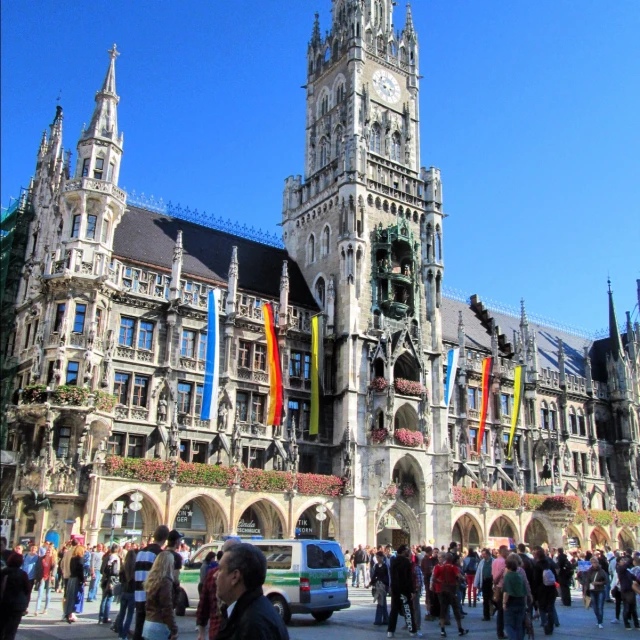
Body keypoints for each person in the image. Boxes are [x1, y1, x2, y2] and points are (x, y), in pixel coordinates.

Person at [214, 543, 289, 640]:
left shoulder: (253, 624)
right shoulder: (249, 611)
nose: (215, 575)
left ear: (235, 576)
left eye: (220, 569)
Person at [133, 524, 170, 640]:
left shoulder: (140, 552)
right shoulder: (159, 553)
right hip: (151, 597)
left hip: (138, 594)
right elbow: (158, 577)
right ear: (165, 538)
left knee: (139, 629)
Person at [197, 540, 239, 640]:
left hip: (217, 632)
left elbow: (203, 607)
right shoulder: (239, 576)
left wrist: (201, 633)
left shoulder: (211, 574)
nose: (217, 576)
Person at [143, 550, 178, 640]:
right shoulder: (165, 582)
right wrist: (174, 628)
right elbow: (167, 607)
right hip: (160, 624)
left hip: (148, 622)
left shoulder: (151, 580)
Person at [387, 544, 420, 638]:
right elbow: (408, 578)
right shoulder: (407, 562)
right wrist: (412, 591)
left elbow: (392, 576)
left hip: (395, 589)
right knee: (408, 610)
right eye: (407, 550)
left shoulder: (393, 561)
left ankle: (390, 631)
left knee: (394, 610)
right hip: (405, 590)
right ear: (402, 551)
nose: (408, 552)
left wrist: (392, 587)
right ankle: (412, 631)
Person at [432, 551, 468, 638]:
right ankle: (460, 629)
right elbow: (459, 576)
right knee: (456, 610)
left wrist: (441, 582)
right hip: (452, 590)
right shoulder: (453, 567)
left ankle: (442, 630)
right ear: (451, 559)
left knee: (443, 610)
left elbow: (434, 578)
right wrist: (464, 578)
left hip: (443, 590)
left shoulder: (440, 567)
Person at [0, 553, 32, 640]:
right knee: (11, 631)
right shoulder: (23, 574)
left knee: (2, 628)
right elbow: (28, 591)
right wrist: (25, 606)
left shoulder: (4, 572)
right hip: (18, 606)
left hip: (4, 604)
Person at [532, 546, 557, 635]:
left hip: (541, 590)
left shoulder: (537, 566)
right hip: (551, 588)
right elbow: (555, 575)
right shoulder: (549, 563)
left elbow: (536, 580)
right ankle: (551, 623)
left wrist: (534, 592)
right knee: (550, 607)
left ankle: (545, 625)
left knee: (542, 608)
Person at [113, 548, 137, 640]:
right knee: (129, 615)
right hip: (132, 592)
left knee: (122, 613)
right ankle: (124, 635)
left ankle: (120, 634)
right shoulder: (135, 568)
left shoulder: (123, 567)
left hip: (124, 592)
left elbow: (120, 580)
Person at [502, 556, 528, 640]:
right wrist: (525, 604)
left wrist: (504, 603)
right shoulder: (520, 576)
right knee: (519, 625)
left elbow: (507, 592)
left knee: (509, 625)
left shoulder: (508, 576)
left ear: (507, 567)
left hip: (511, 602)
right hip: (521, 602)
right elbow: (525, 592)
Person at [99, 543, 121, 624]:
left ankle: (100, 616)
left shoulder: (106, 557)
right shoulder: (116, 558)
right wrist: (119, 572)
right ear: (117, 550)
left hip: (104, 579)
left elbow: (101, 570)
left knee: (103, 599)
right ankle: (106, 617)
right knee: (109, 598)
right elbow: (114, 572)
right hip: (111, 580)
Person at [616, 556, 640, 629]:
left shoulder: (627, 571)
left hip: (631, 590)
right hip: (625, 591)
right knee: (626, 608)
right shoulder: (620, 569)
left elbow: (635, 578)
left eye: (624, 560)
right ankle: (627, 624)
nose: (623, 561)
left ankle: (637, 624)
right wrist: (631, 558)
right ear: (619, 563)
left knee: (633, 608)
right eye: (622, 560)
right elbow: (626, 565)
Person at [64, 544, 86, 623]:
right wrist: (83, 580)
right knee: (75, 596)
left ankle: (68, 612)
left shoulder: (72, 559)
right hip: (76, 579)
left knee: (70, 596)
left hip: (71, 578)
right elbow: (80, 571)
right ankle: (71, 613)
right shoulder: (80, 559)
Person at [492, 545, 510, 639]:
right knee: (502, 611)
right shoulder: (503, 562)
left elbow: (493, 574)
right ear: (502, 551)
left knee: (500, 610)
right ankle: (501, 632)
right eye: (506, 551)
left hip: (496, 587)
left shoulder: (494, 561)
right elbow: (502, 575)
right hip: (502, 588)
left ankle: (500, 631)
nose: (507, 553)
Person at [34, 544, 57, 615]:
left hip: (49, 578)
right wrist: (37, 577)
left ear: (52, 552)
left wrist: (53, 575)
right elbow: (37, 568)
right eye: (47, 550)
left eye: (49, 551)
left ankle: (46, 609)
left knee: (48, 594)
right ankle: (37, 610)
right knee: (40, 593)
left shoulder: (53, 559)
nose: (48, 552)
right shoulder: (41, 558)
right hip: (42, 577)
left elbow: (55, 568)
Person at [474, 547, 493, 621]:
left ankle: (493, 608)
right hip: (484, 581)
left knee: (492, 598)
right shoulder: (482, 562)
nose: (483, 556)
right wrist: (476, 583)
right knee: (485, 599)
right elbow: (478, 572)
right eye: (482, 554)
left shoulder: (493, 561)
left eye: (484, 554)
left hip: (491, 581)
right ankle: (486, 615)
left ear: (488, 554)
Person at [371, 551, 390, 626]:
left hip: (384, 585)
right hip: (378, 585)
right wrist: (371, 583)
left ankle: (378, 620)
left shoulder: (385, 565)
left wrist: (388, 586)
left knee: (380, 602)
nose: (377, 559)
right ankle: (386, 619)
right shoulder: (376, 565)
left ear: (382, 557)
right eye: (376, 557)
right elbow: (375, 575)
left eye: (378, 557)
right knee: (382, 602)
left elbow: (389, 576)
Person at [22, 544, 39, 608]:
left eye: (34, 549)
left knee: (28, 592)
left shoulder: (37, 557)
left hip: (31, 577)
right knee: (22, 591)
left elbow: (37, 567)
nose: (33, 550)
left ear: (36, 550)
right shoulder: (25, 555)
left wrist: (36, 577)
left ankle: (25, 606)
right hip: (24, 576)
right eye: (32, 548)